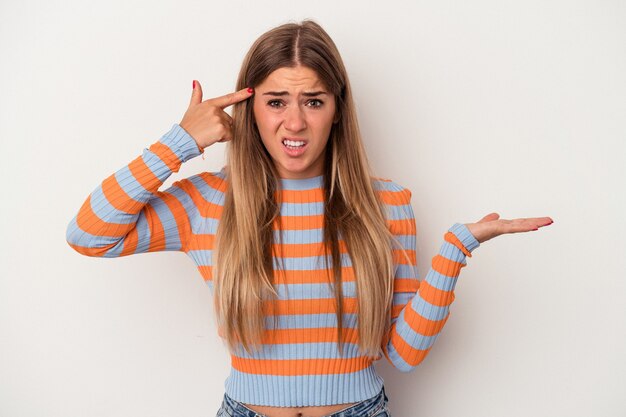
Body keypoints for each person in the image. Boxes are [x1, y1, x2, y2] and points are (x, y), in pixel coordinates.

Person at [65, 19, 553, 417]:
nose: (294, 123)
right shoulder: (210, 202)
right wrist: (180, 141)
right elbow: (88, 234)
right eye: (276, 102)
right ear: (249, 108)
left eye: (313, 102)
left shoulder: (386, 205)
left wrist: (456, 247)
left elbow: (403, 355)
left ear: (337, 109)